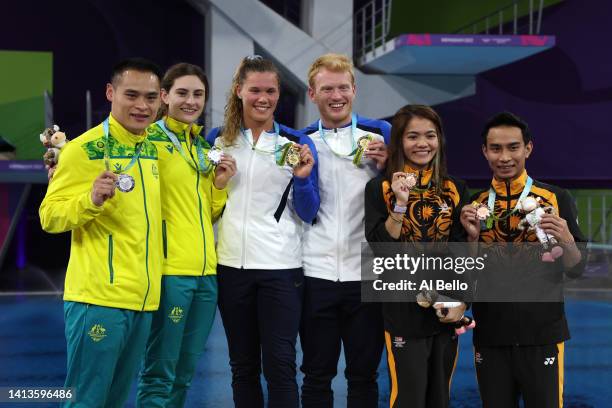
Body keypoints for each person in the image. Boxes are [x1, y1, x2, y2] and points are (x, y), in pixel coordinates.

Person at [39, 58, 163, 407]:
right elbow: (49, 216)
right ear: (111, 93)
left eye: (151, 97)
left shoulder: (155, 148)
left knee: (115, 400)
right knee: (85, 400)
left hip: (143, 298)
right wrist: (90, 199)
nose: (142, 106)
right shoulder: (83, 149)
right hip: (99, 299)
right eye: (132, 95)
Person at [206, 55, 319, 408]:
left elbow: (310, 212)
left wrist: (302, 180)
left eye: (270, 91)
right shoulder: (217, 141)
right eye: (255, 90)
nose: (263, 98)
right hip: (229, 268)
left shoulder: (296, 143)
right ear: (239, 90)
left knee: (281, 367)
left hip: (281, 271)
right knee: (242, 368)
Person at [459, 111, 585, 408]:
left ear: (528, 148)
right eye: (496, 148)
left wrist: (566, 237)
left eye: (513, 147)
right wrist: (472, 240)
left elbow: (576, 268)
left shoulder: (555, 198)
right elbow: (467, 281)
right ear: (484, 151)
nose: (504, 157)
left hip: (542, 334)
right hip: (491, 335)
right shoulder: (473, 206)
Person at [136, 63, 236, 407]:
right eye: (182, 93)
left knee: (185, 371)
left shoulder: (199, 148)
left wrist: (220, 186)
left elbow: (205, 213)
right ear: (164, 96)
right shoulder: (148, 141)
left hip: (206, 273)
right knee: (159, 371)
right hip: (170, 271)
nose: (190, 101)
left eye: (198, 94)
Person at [364, 105, 470, 408]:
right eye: (413, 136)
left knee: (440, 397)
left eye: (430, 135)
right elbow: (380, 248)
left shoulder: (456, 189)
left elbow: (461, 252)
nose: (422, 143)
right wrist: (399, 204)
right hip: (403, 312)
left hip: (445, 310)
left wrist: (461, 302)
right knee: (408, 397)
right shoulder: (379, 188)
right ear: (399, 142)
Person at [299, 53, 390, 407]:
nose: (335, 95)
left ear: (354, 89)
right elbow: (303, 211)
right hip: (315, 273)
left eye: (342, 87)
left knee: (363, 376)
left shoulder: (381, 134)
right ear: (312, 94)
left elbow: (403, 197)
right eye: (326, 89)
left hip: (367, 275)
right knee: (316, 375)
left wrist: (386, 170)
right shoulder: (301, 141)